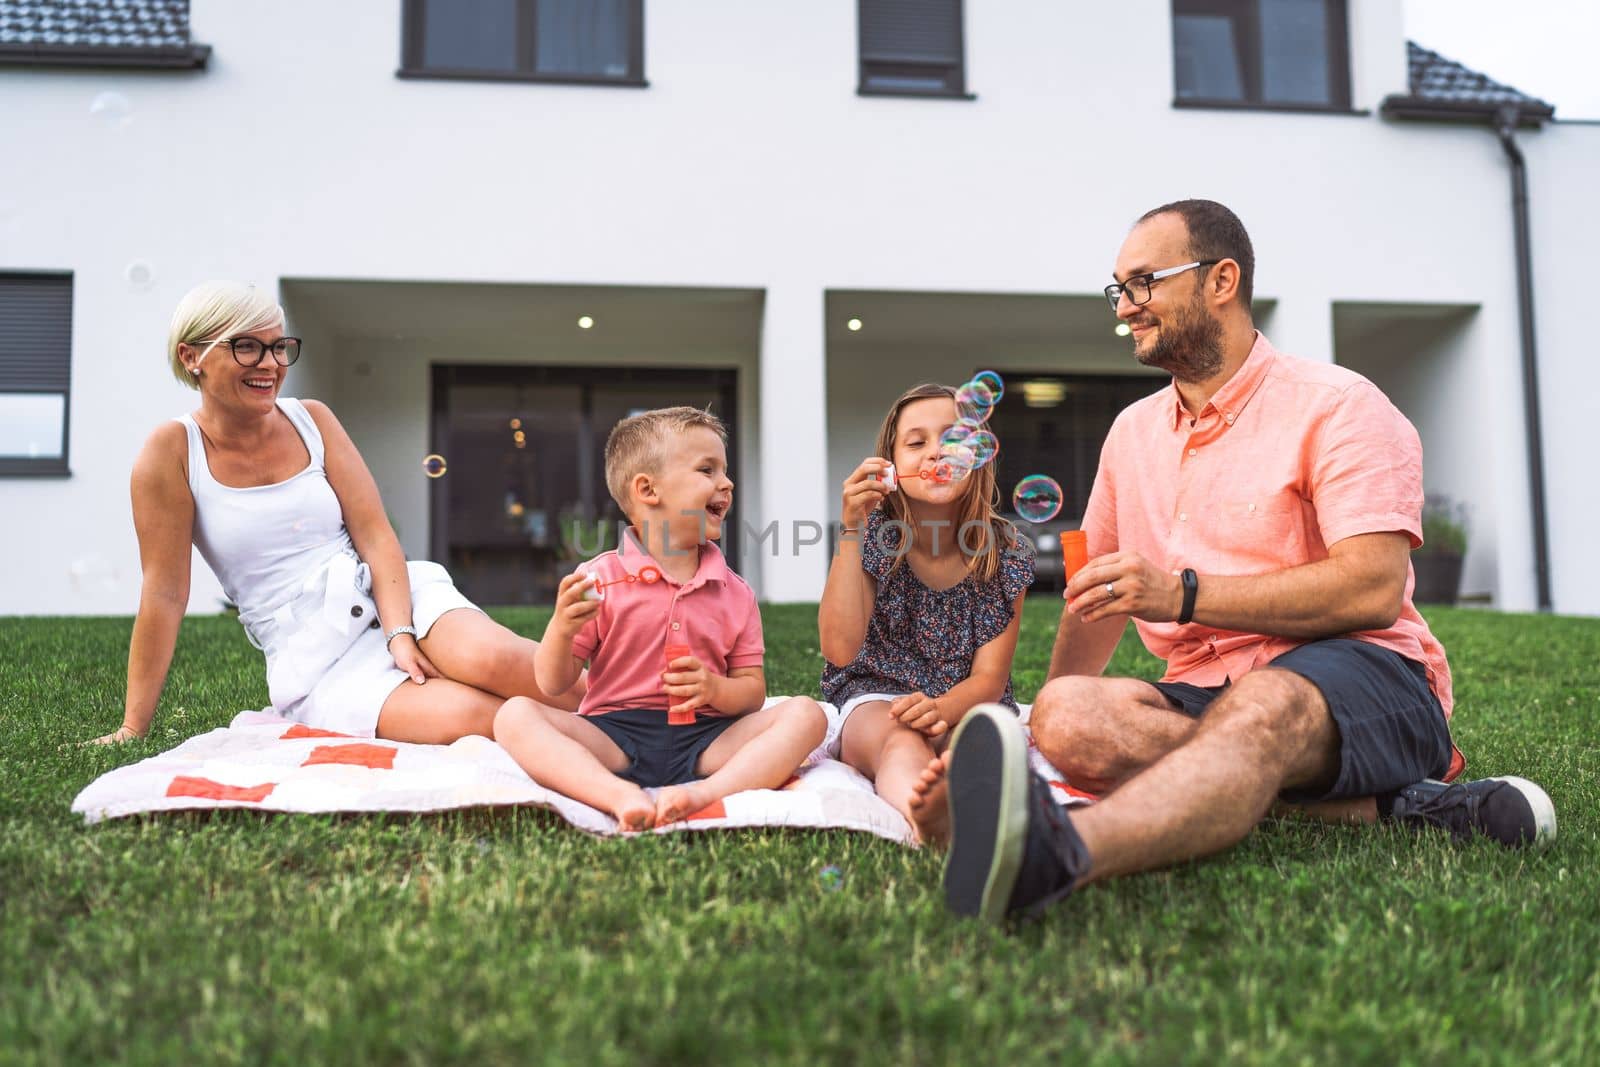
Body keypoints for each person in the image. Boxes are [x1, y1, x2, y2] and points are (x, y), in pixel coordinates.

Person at [919, 200, 1556, 924]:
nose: (1125, 307)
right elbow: (1095, 592)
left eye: (1143, 283)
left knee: (1265, 702)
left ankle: (1059, 853)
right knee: (1066, 713)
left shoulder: (1341, 405)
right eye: (1118, 290)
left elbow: (1373, 587)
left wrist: (1183, 594)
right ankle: (1390, 808)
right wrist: (1037, 740)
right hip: (1206, 691)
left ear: (1222, 280)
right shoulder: (1131, 434)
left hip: (1365, 671)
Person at [89, 280, 581, 746]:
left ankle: (643, 713)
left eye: (279, 347)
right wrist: (134, 726)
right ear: (191, 356)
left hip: (392, 597)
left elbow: (375, 534)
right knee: (477, 716)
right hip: (317, 662)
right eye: (247, 347)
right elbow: (165, 593)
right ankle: (622, 745)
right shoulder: (172, 452)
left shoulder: (313, 420)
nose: (270, 364)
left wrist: (400, 632)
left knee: (496, 659)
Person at [492, 406, 827, 830]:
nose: (726, 483)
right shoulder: (599, 580)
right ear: (648, 490)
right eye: (707, 470)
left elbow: (752, 693)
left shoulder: (734, 591)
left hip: (707, 739)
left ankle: (703, 794)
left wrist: (713, 689)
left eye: (724, 470)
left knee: (807, 715)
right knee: (515, 715)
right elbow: (552, 683)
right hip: (613, 735)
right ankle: (615, 794)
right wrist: (561, 631)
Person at [818, 384, 1033, 843]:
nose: (938, 452)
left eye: (954, 440)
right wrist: (851, 529)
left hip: (965, 698)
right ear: (892, 468)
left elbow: (990, 679)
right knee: (901, 739)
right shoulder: (877, 536)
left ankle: (975, 807)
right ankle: (935, 825)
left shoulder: (1006, 551)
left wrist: (943, 710)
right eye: (917, 443)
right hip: (878, 697)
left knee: (980, 743)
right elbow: (839, 649)